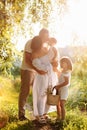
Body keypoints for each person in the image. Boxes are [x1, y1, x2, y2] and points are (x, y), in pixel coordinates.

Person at [18, 28, 49, 121]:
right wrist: (38, 70)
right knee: (25, 92)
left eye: (47, 37)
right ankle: (21, 115)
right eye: (44, 36)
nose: (45, 39)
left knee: (39, 92)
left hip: (37, 72)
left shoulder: (43, 45)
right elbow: (27, 60)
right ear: (40, 35)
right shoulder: (30, 42)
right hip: (28, 70)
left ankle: (38, 114)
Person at [30, 36, 59, 123]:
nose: (45, 42)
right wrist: (50, 66)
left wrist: (54, 63)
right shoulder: (34, 53)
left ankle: (44, 113)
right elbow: (39, 67)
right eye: (42, 41)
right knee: (41, 95)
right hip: (42, 77)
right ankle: (39, 114)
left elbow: (54, 61)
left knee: (50, 93)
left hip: (50, 76)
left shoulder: (47, 49)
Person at [53, 56, 73, 121]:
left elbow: (66, 82)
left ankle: (63, 119)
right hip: (59, 89)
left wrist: (58, 86)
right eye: (62, 63)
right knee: (57, 103)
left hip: (64, 89)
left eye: (64, 63)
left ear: (68, 63)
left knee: (62, 104)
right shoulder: (62, 71)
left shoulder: (67, 71)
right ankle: (58, 116)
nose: (63, 64)